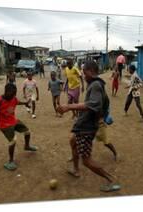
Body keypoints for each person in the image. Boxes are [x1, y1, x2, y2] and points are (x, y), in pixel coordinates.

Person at [57, 60, 121, 192]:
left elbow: (93, 105)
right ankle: (75, 170)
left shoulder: (96, 85)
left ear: (91, 72)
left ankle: (111, 180)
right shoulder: (96, 84)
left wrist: (69, 106)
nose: (83, 76)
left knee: (86, 160)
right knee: (72, 141)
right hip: (84, 125)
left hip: (87, 128)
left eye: (85, 73)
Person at [0, 83, 38, 171]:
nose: (13, 96)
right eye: (12, 94)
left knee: (27, 131)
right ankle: (10, 161)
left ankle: (27, 146)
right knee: (13, 140)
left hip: (13, 121)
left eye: (15, 94)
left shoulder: (13, 98)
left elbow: (17, 102)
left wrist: (25, 103)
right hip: (4, 125)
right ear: (6, 92)